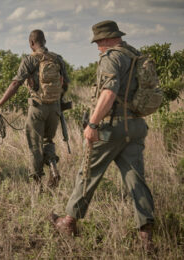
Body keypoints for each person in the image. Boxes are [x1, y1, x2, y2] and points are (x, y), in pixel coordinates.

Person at [51, 20, 155, 252]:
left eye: (98, 41)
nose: (97, 46)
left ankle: (68, 222)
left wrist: (93, 124)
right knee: (136, 180)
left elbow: (108, 92)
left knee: (88, 171)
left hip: (112, 127)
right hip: (135, 125)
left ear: (108, 39)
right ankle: (146, 234)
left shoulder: (111, 57)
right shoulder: (135, 55)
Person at [0, 29, 70, 187]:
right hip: (54, 108)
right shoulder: (57, 59)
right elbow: (65, 84)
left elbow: (15, 84)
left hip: (37, 107)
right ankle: (53, 168)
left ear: (31, 43)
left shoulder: (29, 60)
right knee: (48, 140)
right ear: (44, 41)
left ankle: (37, 184)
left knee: (34, 145)